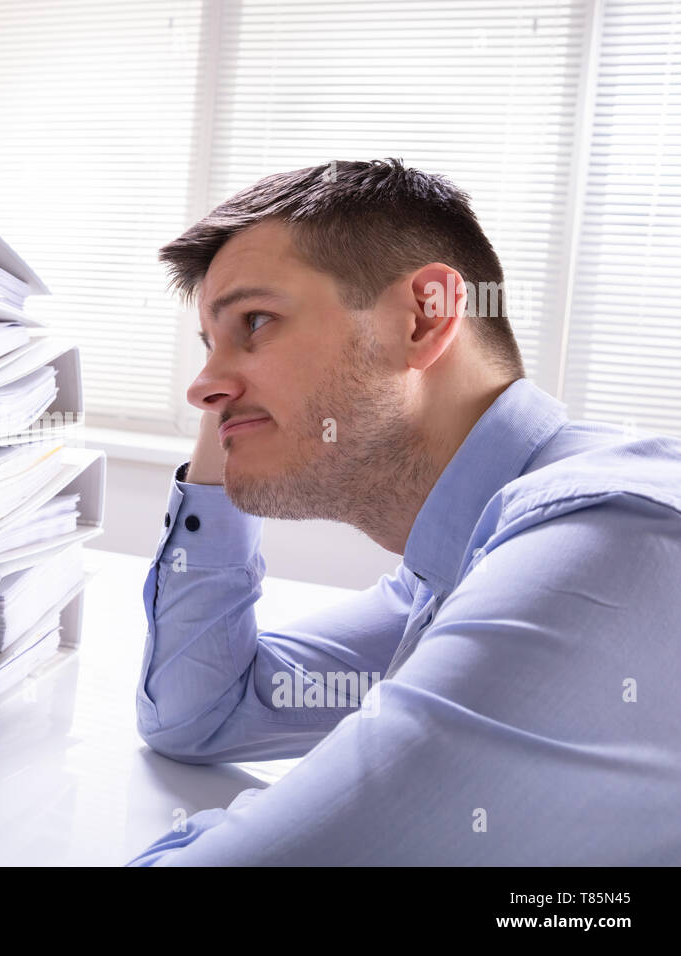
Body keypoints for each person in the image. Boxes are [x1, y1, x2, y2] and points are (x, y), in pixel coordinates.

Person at [128, 158, 681, 865]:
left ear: (424, 318)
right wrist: (236, 404)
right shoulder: (456, 566)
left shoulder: (600, 546)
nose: (199, 388)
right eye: (208, 345)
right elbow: (196, 714)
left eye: (256, 321)